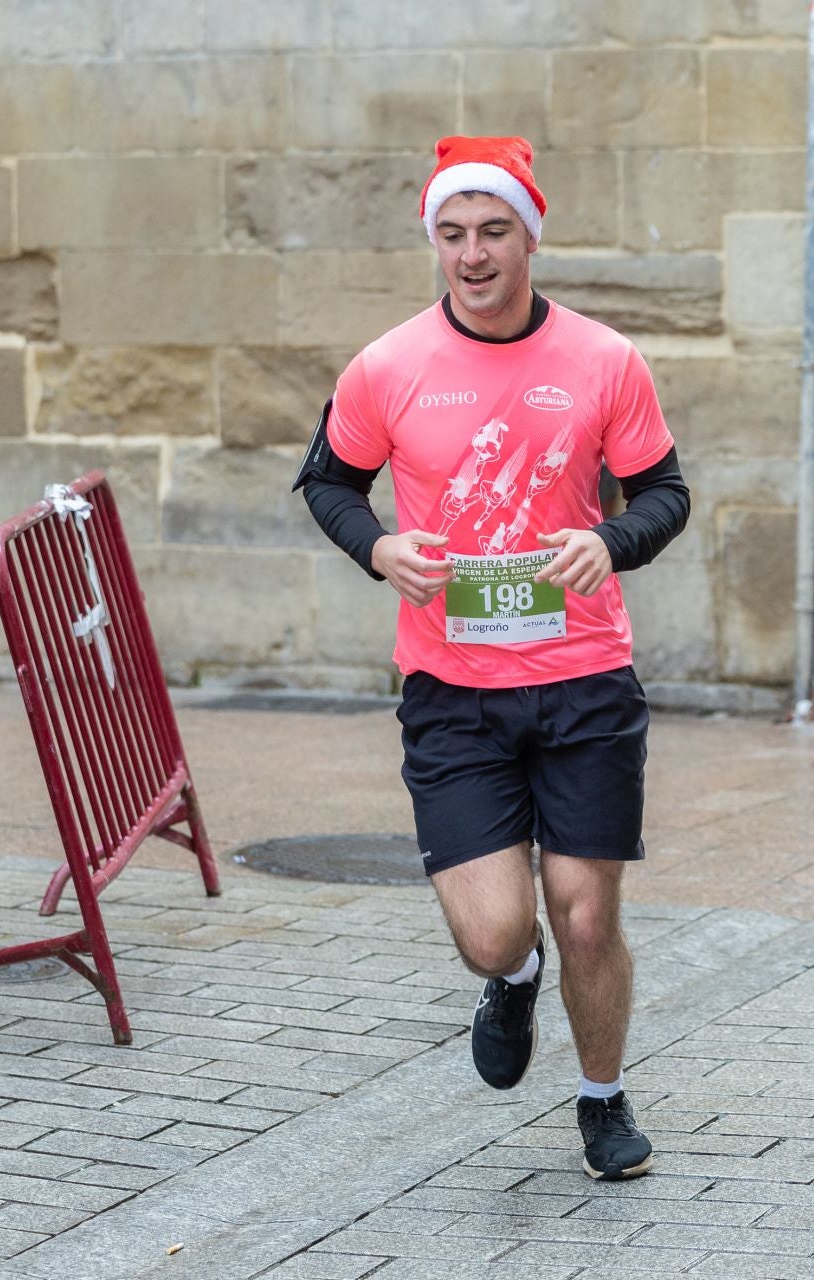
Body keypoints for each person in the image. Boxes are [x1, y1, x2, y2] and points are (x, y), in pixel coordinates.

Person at [296, 135, 690, 1181]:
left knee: (589, 908)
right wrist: (377, 546)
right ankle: (511, 977)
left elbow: (666, 494)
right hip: (453, 690)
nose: (472, 254)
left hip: (583, 677)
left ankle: (603, 1100)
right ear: (435, 240)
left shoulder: (605, 359)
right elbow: (329, 481)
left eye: (493, 231)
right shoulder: (387, 365)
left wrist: (609, 539)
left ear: (529, 237)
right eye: (453, 233)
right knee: (495, 929)